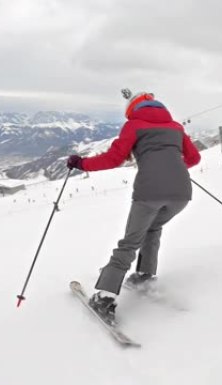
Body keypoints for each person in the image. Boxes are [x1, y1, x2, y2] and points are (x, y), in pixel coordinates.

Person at [67, 90, 201, 324]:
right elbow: (194, 158)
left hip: (149, 192)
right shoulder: (176, 127)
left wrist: (82, 163)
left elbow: (114, 158)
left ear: (131, 111)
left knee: (130, 242)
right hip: (181, 194)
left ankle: (105, 298)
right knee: (153, 229)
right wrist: (171, 166)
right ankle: (144, 276)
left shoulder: (134, 125)